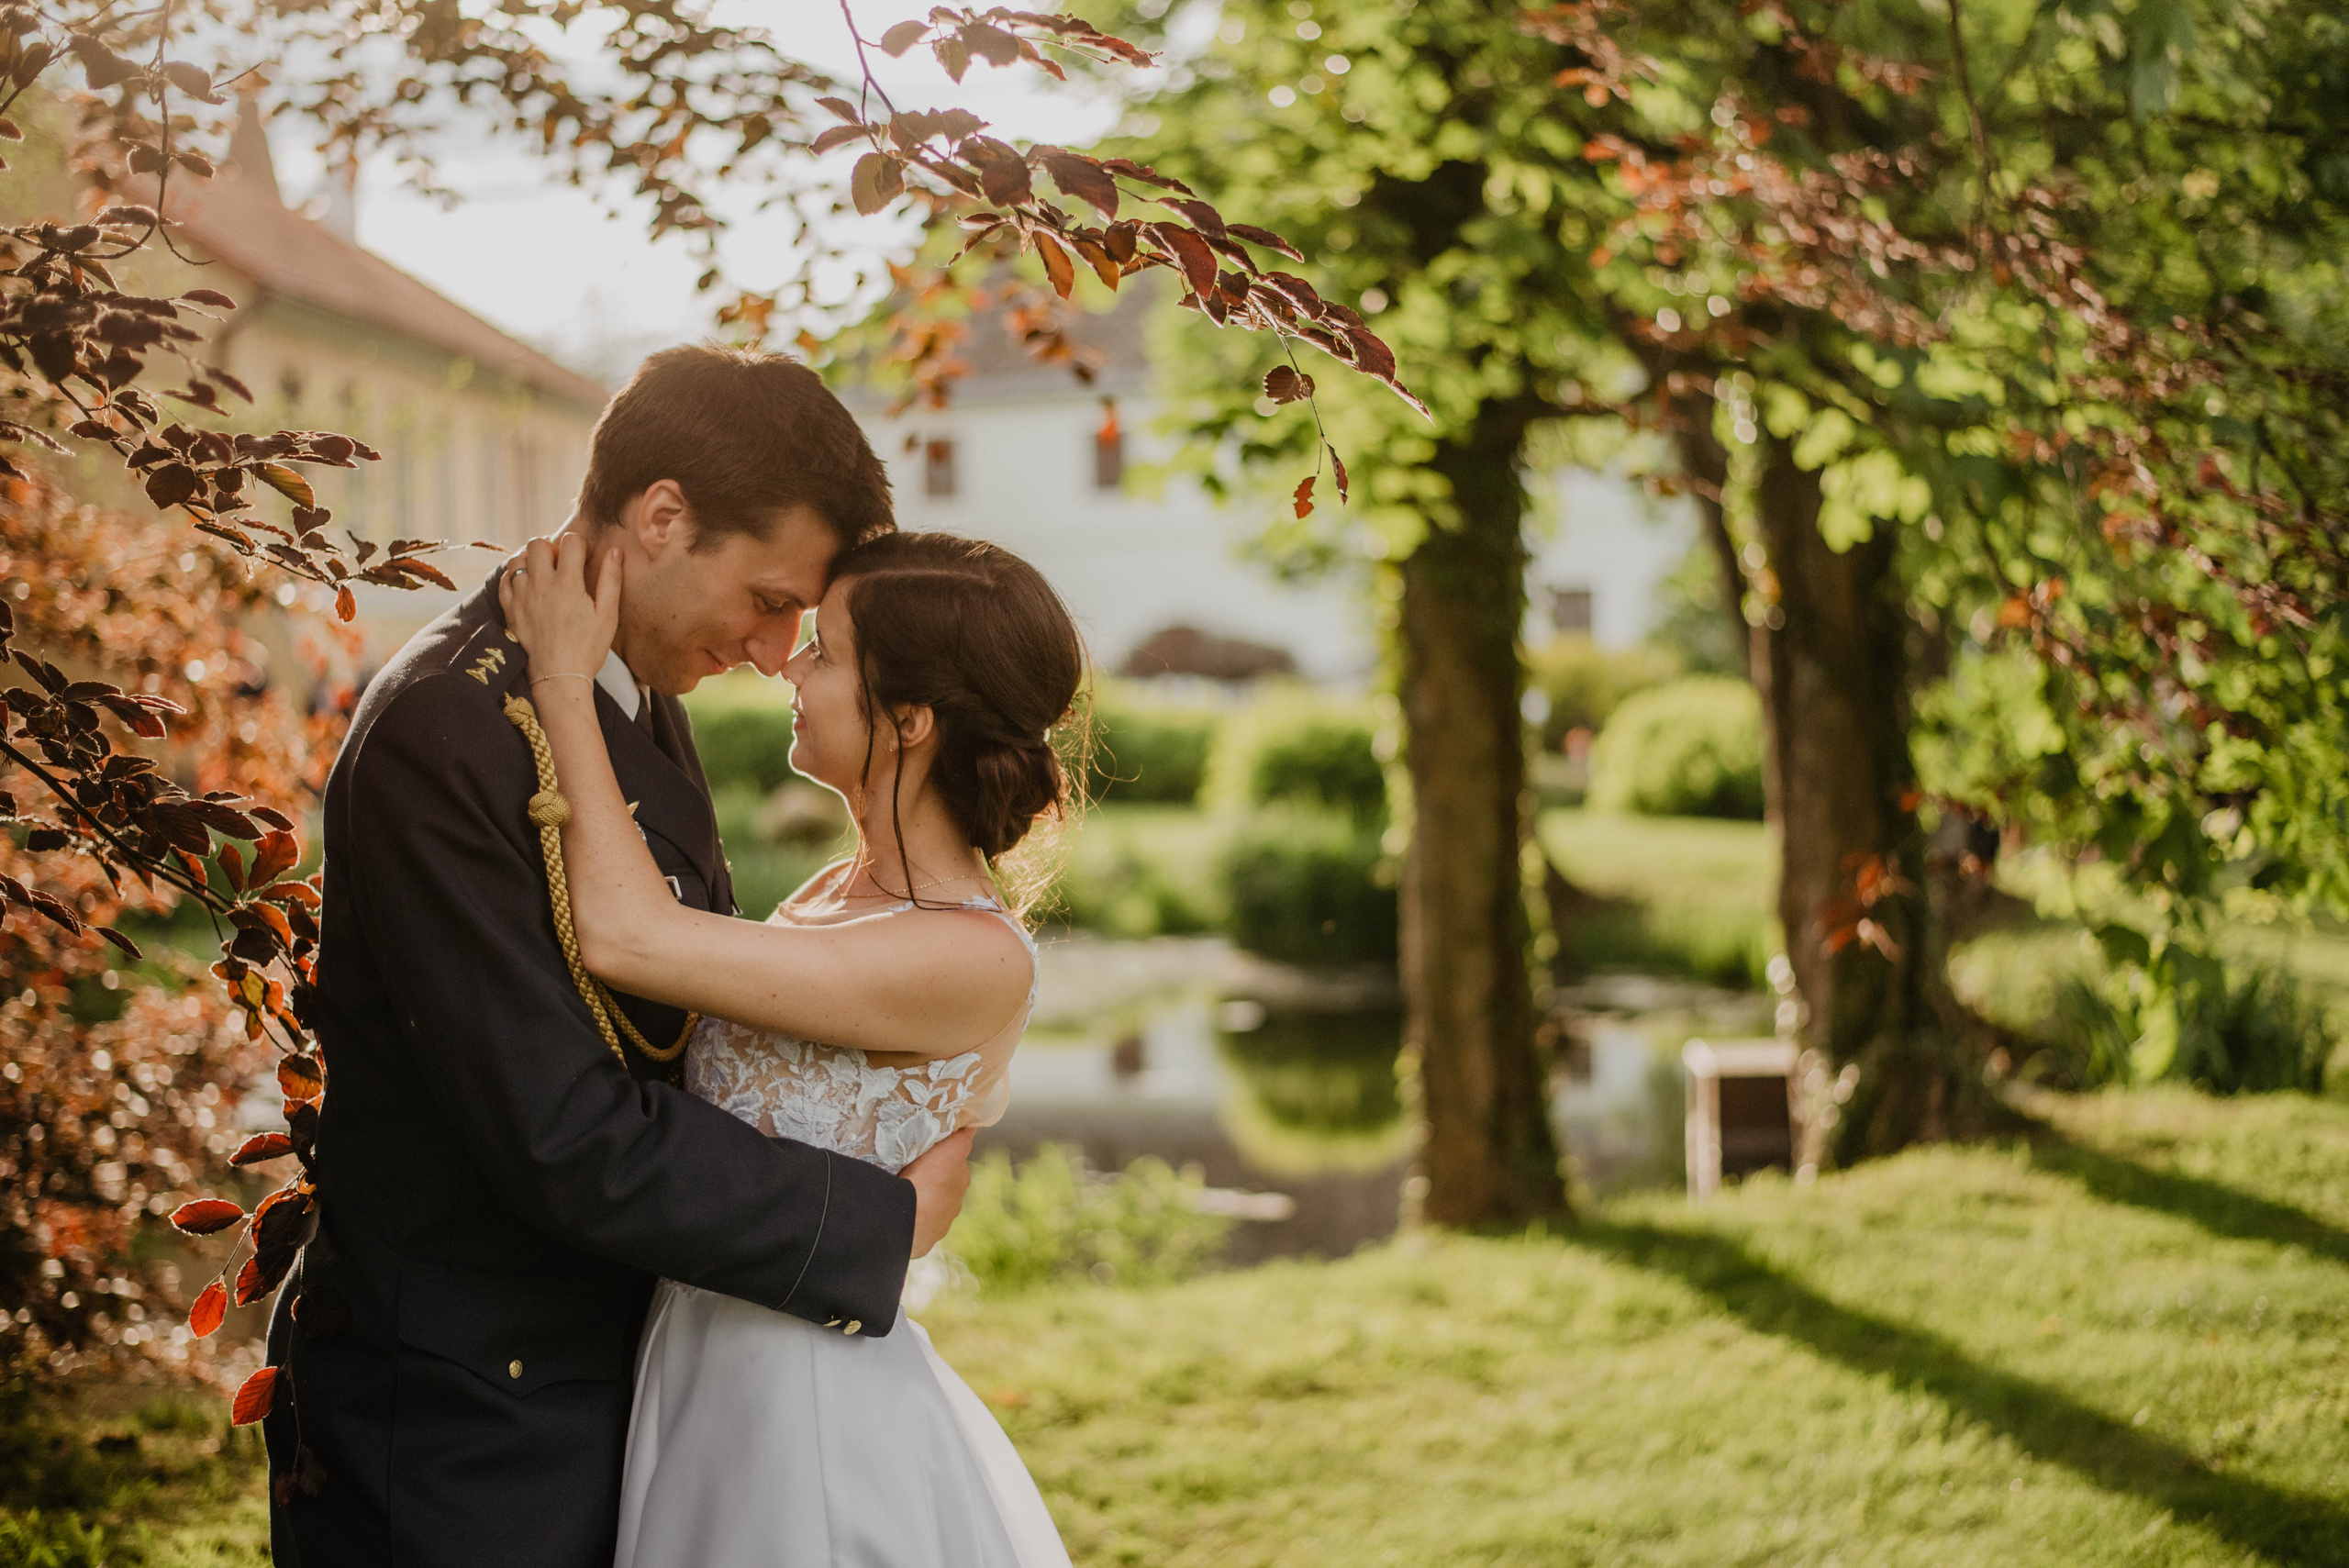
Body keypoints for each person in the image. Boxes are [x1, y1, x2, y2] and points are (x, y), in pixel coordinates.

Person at [262, 347, 976, 1568]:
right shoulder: (455, 723)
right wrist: (874, 1220)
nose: (770, 651)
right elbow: (562, 1130)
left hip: (605, 1375)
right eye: (765, 599)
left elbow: (663, 1021)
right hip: (468, 1419)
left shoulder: (626, 700)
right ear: (660, 518)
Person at [500, 524, 1086, 1567]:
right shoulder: (831, 890)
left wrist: (560, 677)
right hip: (703, 1369)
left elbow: (630, 935)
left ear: (906, 718)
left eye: (825, 650)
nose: (788, 664)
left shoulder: (971, 953)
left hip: (804, 1407)